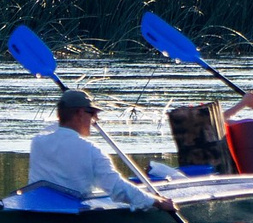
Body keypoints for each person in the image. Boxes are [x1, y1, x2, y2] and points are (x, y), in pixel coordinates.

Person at [29, 89, 180, 207]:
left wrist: (70, 108)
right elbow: (116, 188)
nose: (96, 119)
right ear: (80, 113)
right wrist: (155, 201)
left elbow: (58, 127)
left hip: (40, 206)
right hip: (73, 211)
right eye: (93, 113)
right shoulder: (90, 150)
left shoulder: (37, 142)